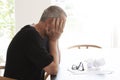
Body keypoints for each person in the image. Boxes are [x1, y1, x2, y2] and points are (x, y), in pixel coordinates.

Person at [4, 5, 67, 80]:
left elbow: (57, 62)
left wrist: (55, 38)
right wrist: (54, 40)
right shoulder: (30, 36)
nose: (61, 30)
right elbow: (54, 70)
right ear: (50, 21)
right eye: (60, 25)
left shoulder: (45, 36)